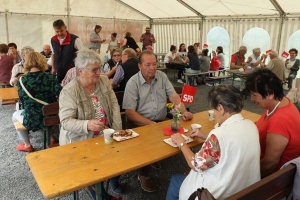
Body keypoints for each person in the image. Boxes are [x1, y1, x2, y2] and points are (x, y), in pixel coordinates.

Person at [166, 85, 260, 200]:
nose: (214, 113)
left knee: (176, 180)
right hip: (244, 189)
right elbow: (228, 145)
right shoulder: (251, 125)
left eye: (214, 109)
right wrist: (204, 136)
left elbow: (196, 165)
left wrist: (182, 143)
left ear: (221, 108)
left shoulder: (219, 134)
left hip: (217, 194)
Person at [123, 50, 193, 192]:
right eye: (147, 64)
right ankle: (143, 174)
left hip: (160, 120)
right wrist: (151, 124)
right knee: (147, 144)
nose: (152, 68)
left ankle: (155, 159)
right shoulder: (133, 83)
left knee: (185, 131)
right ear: (139, 66)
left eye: (154, 64)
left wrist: (184, 111)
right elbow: (130, 113)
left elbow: (173, 96)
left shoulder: (161, 76)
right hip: (139, 123)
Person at [58, 49, 123, 194]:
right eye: (94, 70)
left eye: (99, 68)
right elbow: (66, 121)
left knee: (121, 155)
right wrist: (87, 124)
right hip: (80, 140)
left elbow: (114, 105)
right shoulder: (69, 91)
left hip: (105, 134)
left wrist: (117, 131)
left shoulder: (104, 81)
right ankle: (96, 190)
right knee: (91, 169)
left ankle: (113, 179)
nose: (99, 72)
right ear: (80, 71)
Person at [245, 69, 300, 178]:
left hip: (274, 179)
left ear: (270, 94)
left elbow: (270, 163)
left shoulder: (280, 120)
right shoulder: (280, 101)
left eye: (254, 95)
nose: (252, 99)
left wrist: (247, 179)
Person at [11, 52, 62, 152]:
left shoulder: (22, 80)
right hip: (53, 118)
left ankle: (27, 145)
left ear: (27, 63)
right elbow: (61, 94)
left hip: (32, 119)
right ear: (42, 62)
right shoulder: (51, 77)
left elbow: (22, 101)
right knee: (47, 110)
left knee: (15, 116)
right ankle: (52, 139)